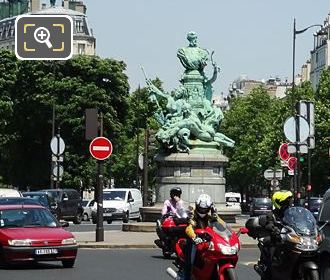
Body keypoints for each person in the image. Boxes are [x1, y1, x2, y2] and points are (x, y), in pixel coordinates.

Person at [247, 190, 293, 278]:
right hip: (277, 238)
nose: (288, 205)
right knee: (272, 248)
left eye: (289, 202)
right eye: (285, 202)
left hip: (290, 237)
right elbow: (269, 223)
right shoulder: (272, 214)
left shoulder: (291, 213)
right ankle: (267, 269)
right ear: (278, 203)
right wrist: (274, 229)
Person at [181, 193, 225, 280]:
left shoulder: (211, 215)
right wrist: (194, 237)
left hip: (208, 240)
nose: (202, 211)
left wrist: (216, 217)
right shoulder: (192, 214)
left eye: (205, 209)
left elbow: (223, 227)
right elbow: (189, 228)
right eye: (200, 208)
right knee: (190, 262)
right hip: (195, 240)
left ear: (209, 208)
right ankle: (187, 277)